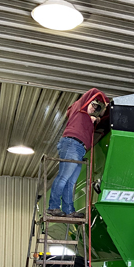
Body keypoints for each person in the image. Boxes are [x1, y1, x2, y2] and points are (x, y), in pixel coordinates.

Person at [47, 88, 110, 218]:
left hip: (79, 149)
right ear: (88, 102)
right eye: (93, 105)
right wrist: (106, 101)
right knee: (64, 177)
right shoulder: (79, 107)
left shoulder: (86, 117)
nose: (94, 108)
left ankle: (69, 210)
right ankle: (53, 207)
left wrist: (95, 119)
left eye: (96, 107)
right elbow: (93, 91)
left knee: (71, 182)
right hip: (72, 144)